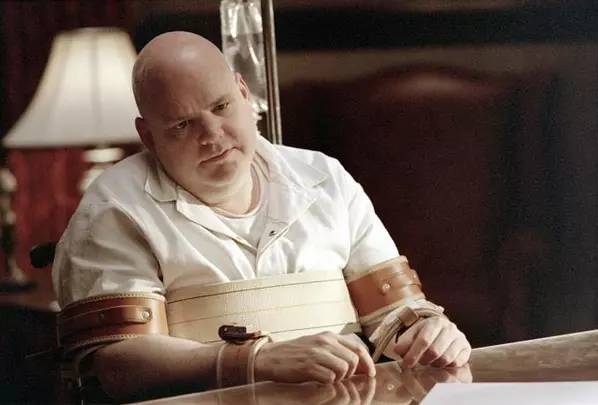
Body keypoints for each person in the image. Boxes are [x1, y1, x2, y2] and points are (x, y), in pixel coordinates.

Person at [52, 31, 471, 400]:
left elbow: (394, 313)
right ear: (147, 135)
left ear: (243, 92)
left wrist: (427, 332)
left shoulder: (324, 178)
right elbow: (117, 364)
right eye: (182, 125)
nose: (212, 135)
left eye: (221, 106)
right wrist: (256, 360)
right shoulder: (114, 208)